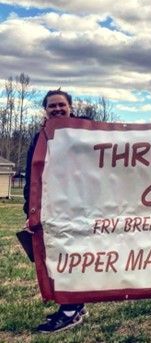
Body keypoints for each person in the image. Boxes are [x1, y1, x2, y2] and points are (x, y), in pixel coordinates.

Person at [24, 89, 88, 333]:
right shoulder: (40, 138)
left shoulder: (86, 130)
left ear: (70, 107)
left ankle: (71, 309)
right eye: (52, 106)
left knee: (73, 257)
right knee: (57, 258)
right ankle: (73, 305)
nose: (58, 109)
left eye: (62, 105)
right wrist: (28, 210)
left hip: (81, 208)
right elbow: (33, 175)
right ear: (45, 110)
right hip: (53, 208)